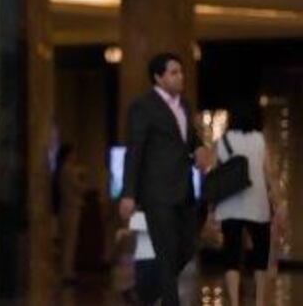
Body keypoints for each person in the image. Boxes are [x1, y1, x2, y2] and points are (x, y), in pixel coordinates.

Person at [119, 52, 212, 306]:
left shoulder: (185, 105)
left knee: (187, 246)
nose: (180, 77)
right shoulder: (143, 106)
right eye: (174, 72)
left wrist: (200, 147)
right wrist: (128, 192)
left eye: (181, 72)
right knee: (166, 250)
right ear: (158, 78)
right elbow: (134, 151)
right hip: (156, 191)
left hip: (183, 188)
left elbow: (188, 138)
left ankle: (144, 293)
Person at [215, 100, 287, 306]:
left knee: (231, 256)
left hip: (229, 205)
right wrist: (279, 202)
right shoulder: (259, 140)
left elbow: (216, 172)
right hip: (257, 205)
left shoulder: (224, 140)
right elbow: (269, 174)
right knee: (261, 256)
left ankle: (235, 301)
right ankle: (259, 301)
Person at [51, 144, 87, 283]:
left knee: (66, 241)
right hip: (71, 208)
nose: (75, 156)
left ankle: (65, 271)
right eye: (73, 153)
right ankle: (67, 273)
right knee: (70, 241)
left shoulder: (61, 170)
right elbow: (80, 187)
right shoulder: (69, 170)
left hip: (64, 208)